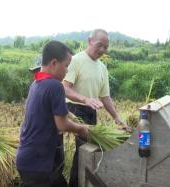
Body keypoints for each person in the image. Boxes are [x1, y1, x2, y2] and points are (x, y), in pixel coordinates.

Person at [16, 40, 89, 187]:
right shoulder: (55, 86)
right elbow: (61, 125)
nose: (67, 71)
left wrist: (72, 116)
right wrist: (81, 129)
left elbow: (48, 110)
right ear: (54, 63)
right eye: (66, 66)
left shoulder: (36, 84)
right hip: (38, 164)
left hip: (26, 160)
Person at [62, 29, 129, 187]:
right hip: (74, 110)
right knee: (83, 153)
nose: (102, 50)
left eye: (105, 47)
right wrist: (85, 99)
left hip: (91, 112)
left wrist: (117, 118)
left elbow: (105, 97)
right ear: (89, 41)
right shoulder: (76, 60)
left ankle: (86, 182)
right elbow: (65, 88)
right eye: (99, 45)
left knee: (92, 152)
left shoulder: (102, 68)